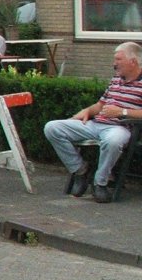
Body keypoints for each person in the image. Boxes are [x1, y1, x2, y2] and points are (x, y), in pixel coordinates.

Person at [43, 42, 142, 204]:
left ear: (133, 61)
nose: (114, 63)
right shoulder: (116, 79)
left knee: (113, 141)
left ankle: (100, 183)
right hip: (96, 124)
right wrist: (87, 111)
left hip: (120, 128)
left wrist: (122, 112)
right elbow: (100, 105)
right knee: (52, 128)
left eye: (118, 59)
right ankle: (80, 170)